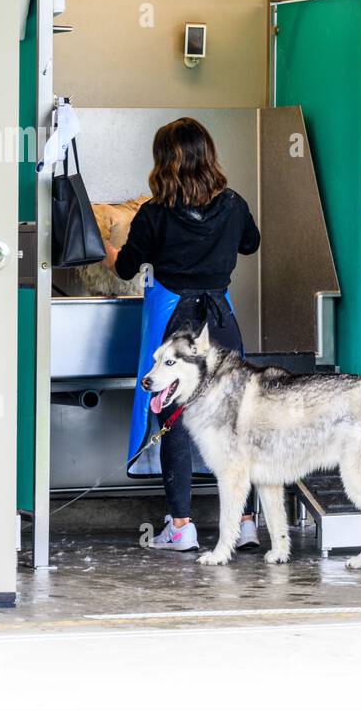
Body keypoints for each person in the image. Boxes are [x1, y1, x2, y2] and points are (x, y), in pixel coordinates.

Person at [107, 117, 261, 551]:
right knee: (233, 422)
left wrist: (107, 251)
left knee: (172, 418)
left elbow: (125, 268)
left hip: (175, 328)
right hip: (221, 323)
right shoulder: (233, 204)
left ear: (163, 162)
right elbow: (251, 243)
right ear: (208, 156)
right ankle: (246, 523)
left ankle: (181, 527)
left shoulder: (154, 214)